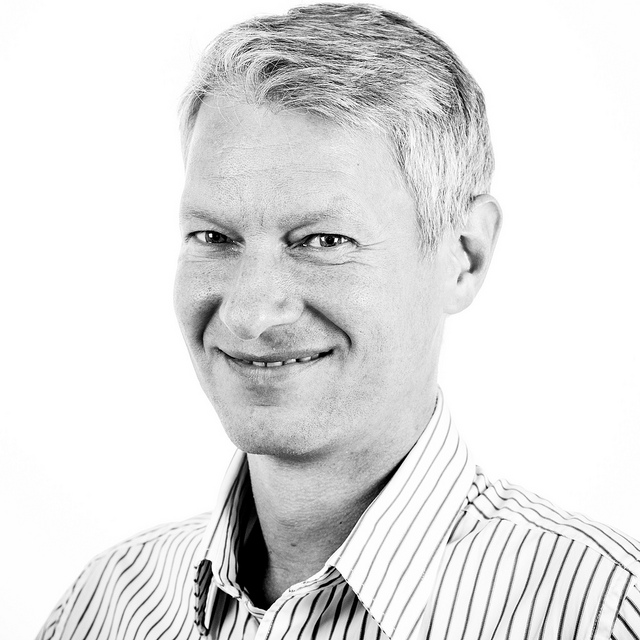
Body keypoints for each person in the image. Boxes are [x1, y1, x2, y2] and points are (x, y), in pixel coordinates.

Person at [36, 4, 640, 639]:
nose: (249, 314)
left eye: (323, 241)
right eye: (213, 236)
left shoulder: (606, 614)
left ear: (464, 256)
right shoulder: (104, 605)